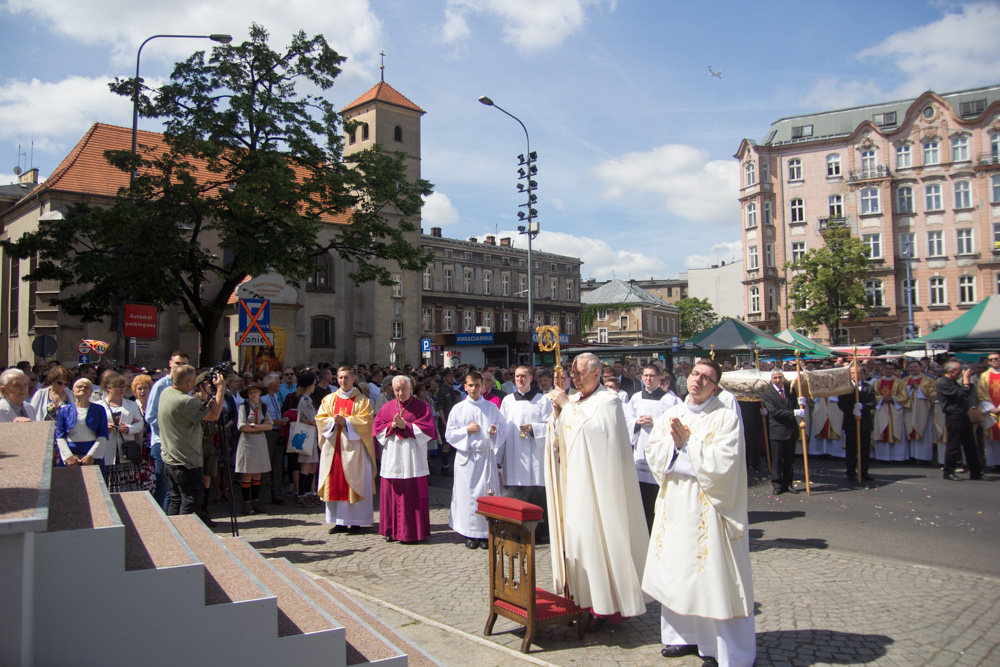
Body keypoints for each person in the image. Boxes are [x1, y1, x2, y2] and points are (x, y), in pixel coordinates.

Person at [642, 358, 755, 666]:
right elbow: (653, 452)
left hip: (709, 508)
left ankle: (722, 649)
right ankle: (681, 637)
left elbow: (725, 463)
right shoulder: (672, 413)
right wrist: (675, 448)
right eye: (695, 373)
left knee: (712, 577)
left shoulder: (725, 417)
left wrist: (687, 445)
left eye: (706, 377)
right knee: (677, 571)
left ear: (715, 386)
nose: (698, 380)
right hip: (676, 505)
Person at [545, 352, 648, 628]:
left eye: (579, 374)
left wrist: (565, 407)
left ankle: (603, 606)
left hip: (597, 489)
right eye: (572, 373)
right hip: (572, 485)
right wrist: (556, 417)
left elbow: (596, 437)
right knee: (576, 542)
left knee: (595, 541)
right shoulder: (575, 400)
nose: (575, 378)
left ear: (596, 373)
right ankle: (578, 599)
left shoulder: (609, 402)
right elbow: (560, 440)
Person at [373, 375, 439, 543]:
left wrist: (407, 426)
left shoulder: (421, 406)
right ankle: (391, 530)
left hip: (413, 457)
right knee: (391, 495)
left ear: (411, 388)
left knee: (413, 494)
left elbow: (429, 430)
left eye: (403, 389)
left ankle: (413, 532)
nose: (400, 393)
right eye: (396, 390)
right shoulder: (387, 407)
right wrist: (391, 426)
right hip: (393, 457)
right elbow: (377, 429)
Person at [446, 371, 507, 549]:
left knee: (486, 495)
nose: (473, 389)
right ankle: (468, 533)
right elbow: (449, 434)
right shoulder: (458, 409)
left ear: (483, 386)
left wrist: (496, 430)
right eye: (470, 385)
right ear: (465, 387)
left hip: (486, 457)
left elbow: (503, 427)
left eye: (477, 385)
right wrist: (466, 430)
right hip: (468, 457)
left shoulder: (491, 407)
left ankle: (486, 532)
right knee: (467, 496)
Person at [159, 365, 226, 517]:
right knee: (191, 501)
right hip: (185, 461)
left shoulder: (167, 392)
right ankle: (185, 535)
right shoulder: (185, 401)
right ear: (189, 382)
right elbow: (214, 415)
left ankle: (174, 534)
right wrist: (221, 389)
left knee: (176, 499)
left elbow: (201, 410)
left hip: (170, 458)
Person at [316, 366, 375, 534]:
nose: (343, 381)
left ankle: (356, 521)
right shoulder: (329, 400)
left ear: (353, 379)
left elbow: (367, 421)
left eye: (346, 377)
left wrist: (347, 422)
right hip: (334, 448)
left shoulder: (362, 400)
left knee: (354, 481)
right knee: (335, 481)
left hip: (354, 449)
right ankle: (339, 522)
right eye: (340, 378)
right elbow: (320, 419)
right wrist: (333, 421)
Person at [499, 366, 552, 541]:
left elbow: (551, 426)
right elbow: (502, 428)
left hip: (534, 455)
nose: (520, 379)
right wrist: (499, 457)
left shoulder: (542, 401)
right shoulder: (507, 401)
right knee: (514, 492)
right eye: (517, 376)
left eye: (523, 376)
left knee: (535, 492)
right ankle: (514, 529)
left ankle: (537, 532)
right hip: (514, 456)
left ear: (531, 378)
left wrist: (534, 428)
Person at [624, 364, 678, 531]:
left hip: (660, 454)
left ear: (659, 378)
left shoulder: (671, 400)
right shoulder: (635, 399)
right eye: (645, 376)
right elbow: (626, 420)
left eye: (652, 376)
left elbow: (676, 423)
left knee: (657, 494)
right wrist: (636, 423)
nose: (648, 379)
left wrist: (655, 422)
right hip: (640, 451)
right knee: (641, 495)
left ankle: (660, 529)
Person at [146, 351, 191, 510]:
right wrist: (171, 428)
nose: (181, 367)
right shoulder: (160, 385)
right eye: (178, 363)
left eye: (184, 364)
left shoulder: (188, 386)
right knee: (164, 488)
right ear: (170, 364)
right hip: (162, 443)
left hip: (181, 444)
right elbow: (150, 416)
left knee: (179, 489)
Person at [762, 369, 805, 495]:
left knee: (790, 459)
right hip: (777, 430)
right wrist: (793, 413)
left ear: (783, 377)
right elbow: (774, 412)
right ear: (772, 379)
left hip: (791, 430)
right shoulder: (768, 394)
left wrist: (801, 404)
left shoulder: (790, 390)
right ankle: (777, 484)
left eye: (779, 377)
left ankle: (788, 483)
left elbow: (794, 406)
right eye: (775, 377)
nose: (777, 380)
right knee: (777, 459)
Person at [938, 361, 984, 481]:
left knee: (970, 444)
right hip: (954, 416)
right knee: (953, 444)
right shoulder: (944, 382)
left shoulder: (953, 382)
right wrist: (966, 379)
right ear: (950, 371)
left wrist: (967, 382)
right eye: (958, 371)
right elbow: (961, 393)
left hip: (963, 414)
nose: (960, 373)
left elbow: (969, 393)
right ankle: (949, 471)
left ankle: (976, 471)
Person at [55, 378, 109, 471]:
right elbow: (59, 436)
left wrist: (91, 456)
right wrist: (69, 457)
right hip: (70, 453)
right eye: (79, 386)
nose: (82, 389)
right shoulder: (64, 410)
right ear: (73, 390)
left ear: (91, 392)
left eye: (86, 387)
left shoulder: (99, 410)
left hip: (92, 453)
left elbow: (103, 435)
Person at [236, 381, 273, 514]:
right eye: (250, 392)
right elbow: (241, 426)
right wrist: (261, 426)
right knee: (247, 473)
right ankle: (246, 503)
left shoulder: (264, 407)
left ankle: (255, 501)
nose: (253, 395)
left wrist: (254, 426)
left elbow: (270, 426)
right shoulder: (243, 407)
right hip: (248, 441)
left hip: (260, 440)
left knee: (258, 473)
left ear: (260, 393)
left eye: (255, 392)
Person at [838, 364, 876, 482]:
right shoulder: (846, 388)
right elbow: (841, 404)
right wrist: (852, 410)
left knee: (864, 449)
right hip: (851, 422)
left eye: (858, 373)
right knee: (851, 449)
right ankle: (850, 472)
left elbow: (873, 402)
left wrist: (863, 406)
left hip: (865, 422)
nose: (855, 375)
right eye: (852, 373)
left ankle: (864, 472)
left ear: (862, 374)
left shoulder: (868, 387)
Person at [291, 372, 322, 507]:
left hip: (311, 435)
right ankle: (302, 493)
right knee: (306, 465)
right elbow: (314, 418)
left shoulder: (307, 399)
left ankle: (309, 492)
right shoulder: (306, 400)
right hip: (307, 435)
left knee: (312, 465)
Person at [871, 360, 910, 462]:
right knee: (881, 430)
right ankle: (882, 456)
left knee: (897, 431)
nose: (889, 371)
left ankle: (897, 457)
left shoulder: (899, 382)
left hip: (894, 410)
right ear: (883, 370)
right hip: (881, 409)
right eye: (887, 369)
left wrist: (892, 398)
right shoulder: (877, 383)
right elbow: (872, 396)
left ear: (894, 371)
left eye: (891, 369)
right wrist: (881, 399)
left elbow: (904, 397)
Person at [904, 359, 937, 463]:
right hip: (909, 409)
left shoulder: (928, 380)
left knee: (924, 431)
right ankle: (911, 456)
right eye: (911, 367)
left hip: (923, 410)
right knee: (909, 429)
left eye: (915, 367)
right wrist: (909, 389)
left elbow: (933, 394)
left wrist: (918, 388)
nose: (913, 369)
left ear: (921, 368)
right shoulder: (904, 380)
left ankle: (924, 457)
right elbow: (900, 394)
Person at [977, 352, 1000, 470]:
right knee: (990, 440)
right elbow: (981, 393)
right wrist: (991, 408)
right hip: (990, 412)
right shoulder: (985, 376)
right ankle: (992, 463)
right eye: (991, 360)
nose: (994, 361)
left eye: (996, 359)